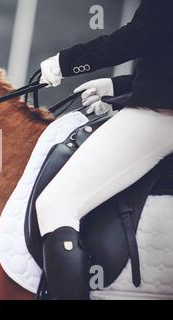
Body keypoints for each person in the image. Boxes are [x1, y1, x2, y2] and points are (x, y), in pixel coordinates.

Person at [36, 0, 173, 299]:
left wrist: (66, 62)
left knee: (55, 206)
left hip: (161, 120)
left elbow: (141, 35)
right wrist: (119, 86)